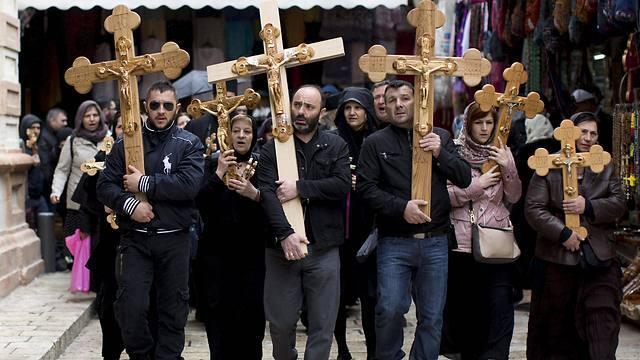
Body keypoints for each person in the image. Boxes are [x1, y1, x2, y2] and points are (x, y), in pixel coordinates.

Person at [356, 80, 471, 360]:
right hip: (394, 240)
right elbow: (366, 189)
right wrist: (400, 208)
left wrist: (439, 153)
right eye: (391, 99)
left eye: (404, 98)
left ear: (417, 101)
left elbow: (464, 178)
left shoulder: (441, 136)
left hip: (435, 241)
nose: (398, 104)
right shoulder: (375, 143)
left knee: (432, 316)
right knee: (390, 309)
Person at [97, 81, 204, 360]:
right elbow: (105, 186)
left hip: (174, 238)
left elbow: (189, 185)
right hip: (136, 239)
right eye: (154, 104)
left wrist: (143, 183)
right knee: (130, 306)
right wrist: (130, 204)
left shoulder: (188, 143)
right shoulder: (125, 143)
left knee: (173, 308)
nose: (161, 110)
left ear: (176, 107)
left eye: (167, 105)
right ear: (145, 106)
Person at [257, 84, 350, 360]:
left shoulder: (335, 144)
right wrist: (285, 234)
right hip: (280, 250)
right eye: (297, 104)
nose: (300, 111)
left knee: (323, 325)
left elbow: (342, 184)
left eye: (308, 106)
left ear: (321, 112)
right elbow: (267, 194)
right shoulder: (273, 147)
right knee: (281, 324)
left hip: (323, 248)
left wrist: (301, 187)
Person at [525, 111, 625, 359]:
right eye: (584, 132)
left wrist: (588, 207)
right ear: (569, 132)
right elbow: (534, 209)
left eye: (594, 133)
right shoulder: (548, 164)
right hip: (557, 258)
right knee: (558, 328)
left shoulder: (603, 163)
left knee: (603, 321)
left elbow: (619, 202)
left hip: (598, 257)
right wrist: (563, 233)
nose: (588, 138)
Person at [442, 101, 521, 359]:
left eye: (489, 122)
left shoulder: (502, 151)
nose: (485, 128)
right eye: (479, 122)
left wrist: (507, 166)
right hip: (462, 244)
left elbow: (515, 195)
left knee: (500, 305)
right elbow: (445, 196)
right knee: (466, 309)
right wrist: (479, 185)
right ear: (468, 123)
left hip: (496, 241)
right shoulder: (452, 152)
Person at [197, 114, 267, 359]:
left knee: (251, 319)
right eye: (235, 131)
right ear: (226, 134)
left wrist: (253, 193)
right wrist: (218, 173)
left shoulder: (262, 164)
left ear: (254, 136)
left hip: (252, 256)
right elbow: (200, 203)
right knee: (218, 319)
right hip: (216, 256)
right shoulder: (213, 164)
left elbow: (272, 206)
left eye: (246, 131)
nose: (240, 136)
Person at [72, 117, 124, 360]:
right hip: (110, 242)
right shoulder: (102, 158)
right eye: (122, 126)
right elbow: (86, 197)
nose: (127, 130)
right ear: (114, 129)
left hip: (145, 241)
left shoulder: (151, 156)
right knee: (108, 301)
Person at [332, 87, 378, 360]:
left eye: (358, 107)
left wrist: (363, 184)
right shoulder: (333, 140)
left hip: (368, 229)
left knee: (370, 297)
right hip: (339, 232)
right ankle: (342, 349)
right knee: (336, 296)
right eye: (347, 108)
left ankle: (373, 351)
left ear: (367, 110)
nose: (352, 112)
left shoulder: (377, 141)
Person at [51, 101, 108, 238]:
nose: (92, 119)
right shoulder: (73, 140)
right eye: (87, 116)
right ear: (80, 118)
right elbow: (62, 170)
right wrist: (56, 191)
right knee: (80, 249)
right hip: (78, 204)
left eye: (95, 115)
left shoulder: (109, 138)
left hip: (104, 202)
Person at [20, 114, 47, 229]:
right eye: (32, 128)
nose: (36, 131)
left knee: (45, 226)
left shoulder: (41, 146)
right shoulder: (20, 147)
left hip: (40, 196)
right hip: (26, 197)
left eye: (38, 128)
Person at [39, 107, 68, 207]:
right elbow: (45, 163)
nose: (65, 123)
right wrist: (54, 186)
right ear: (52, 120)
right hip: (49, 185)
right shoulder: (44, 137)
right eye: (62, 120)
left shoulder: (55, 135)